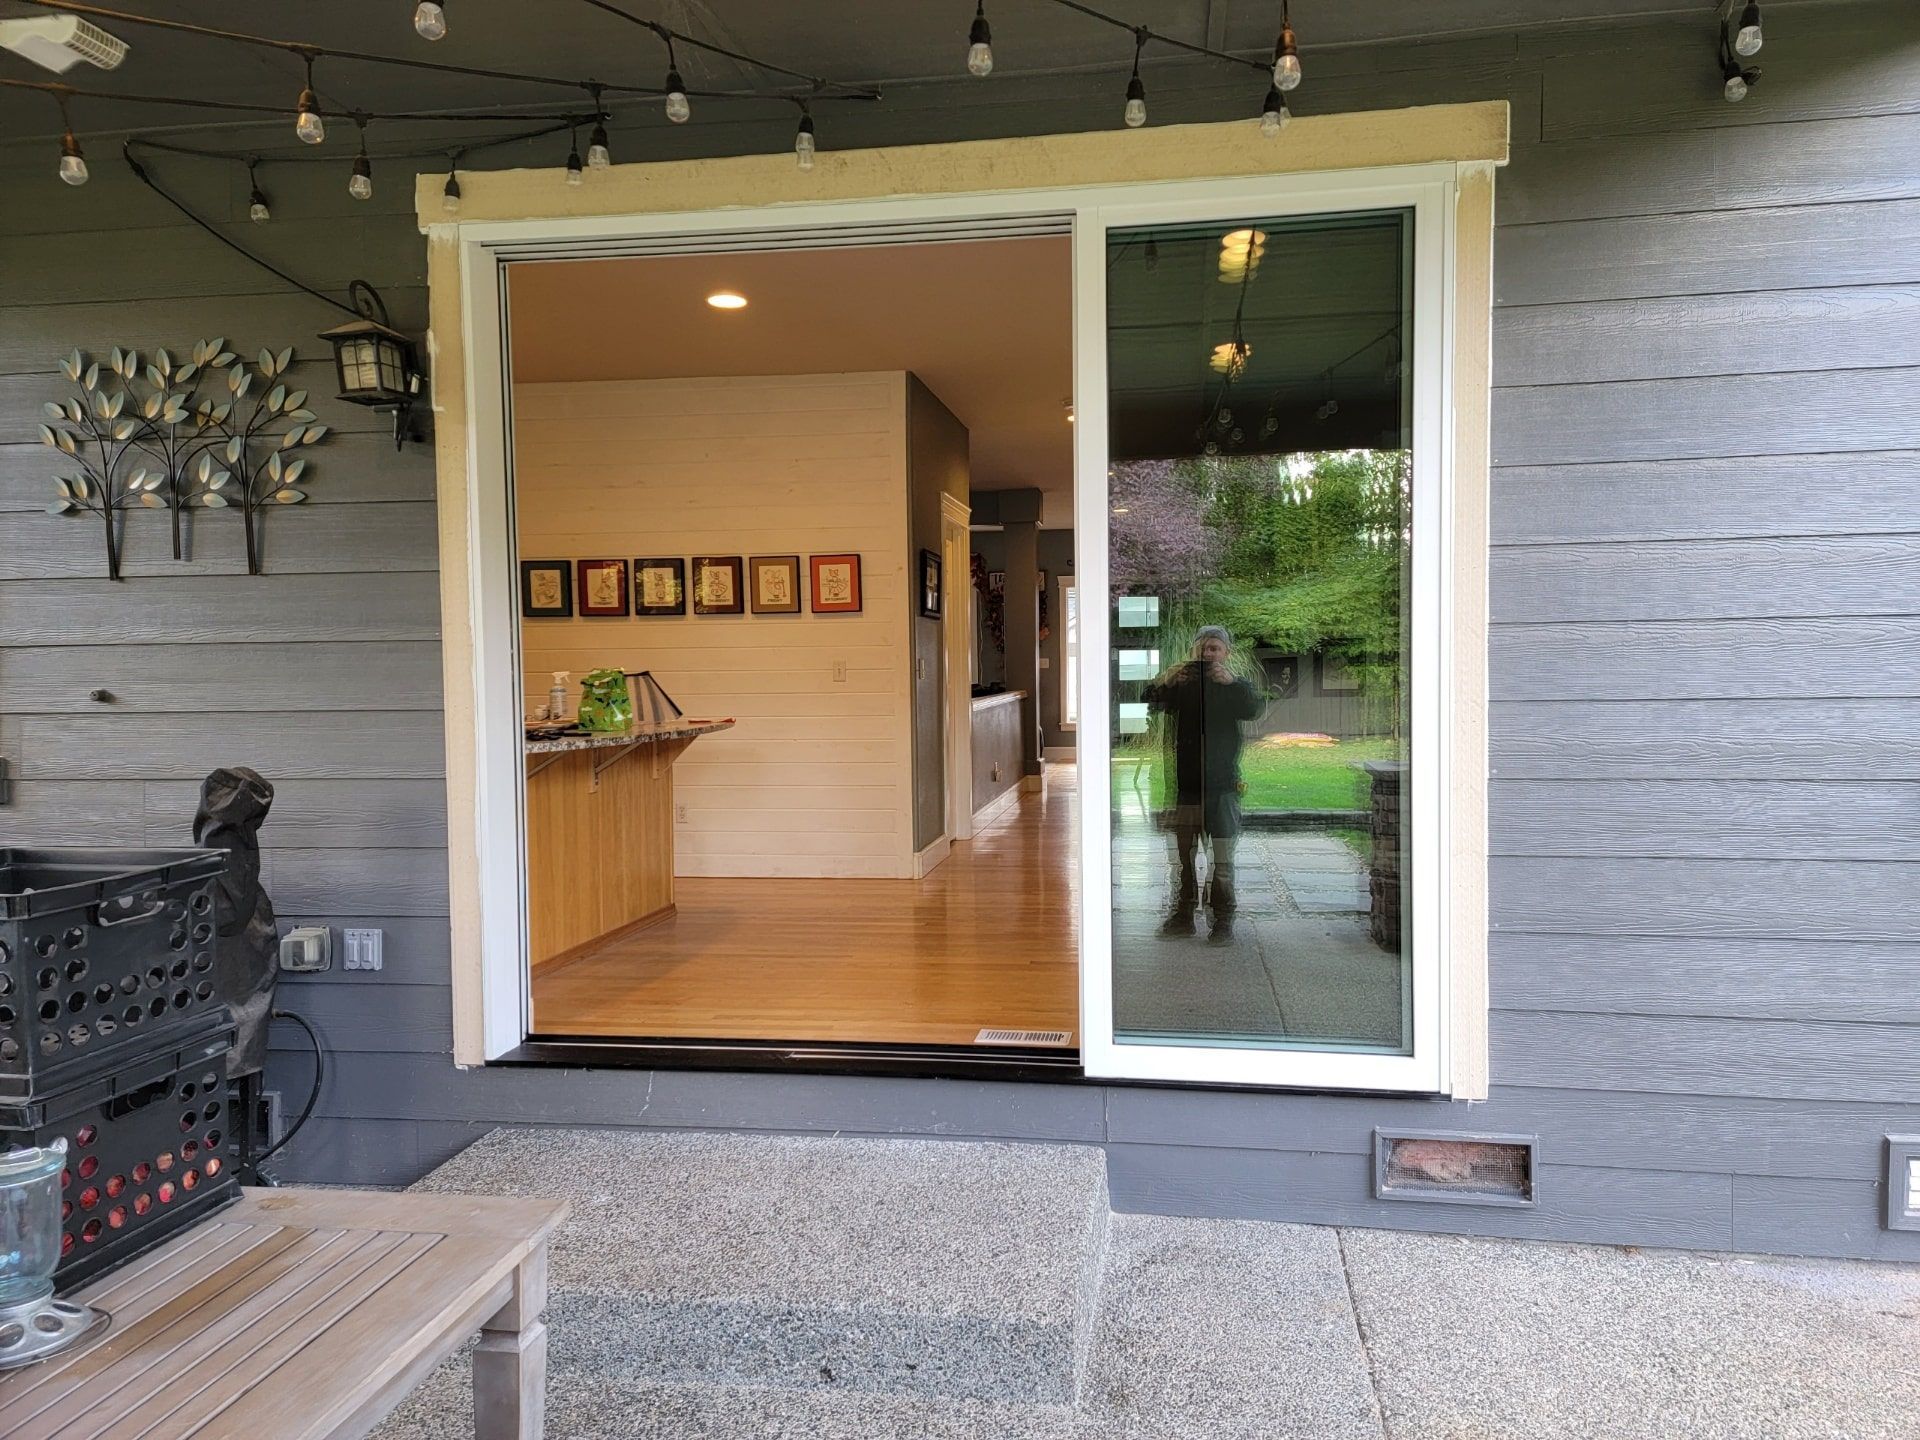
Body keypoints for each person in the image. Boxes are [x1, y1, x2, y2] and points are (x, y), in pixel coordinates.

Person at [1144, 626, 1262, 943]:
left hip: (1223, 787)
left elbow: (1254, 708)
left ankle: (1222, 921)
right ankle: (1183, 917)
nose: (1207, 654)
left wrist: (1233, 683)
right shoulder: (1183, 683)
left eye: (1214, 649)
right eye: (1202, 648)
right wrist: (1167, 678)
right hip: (1187, 787)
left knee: (1222, 861)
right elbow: (1149, 699)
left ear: (1226, 653)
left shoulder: (1234, 685)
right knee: (1184, 860)